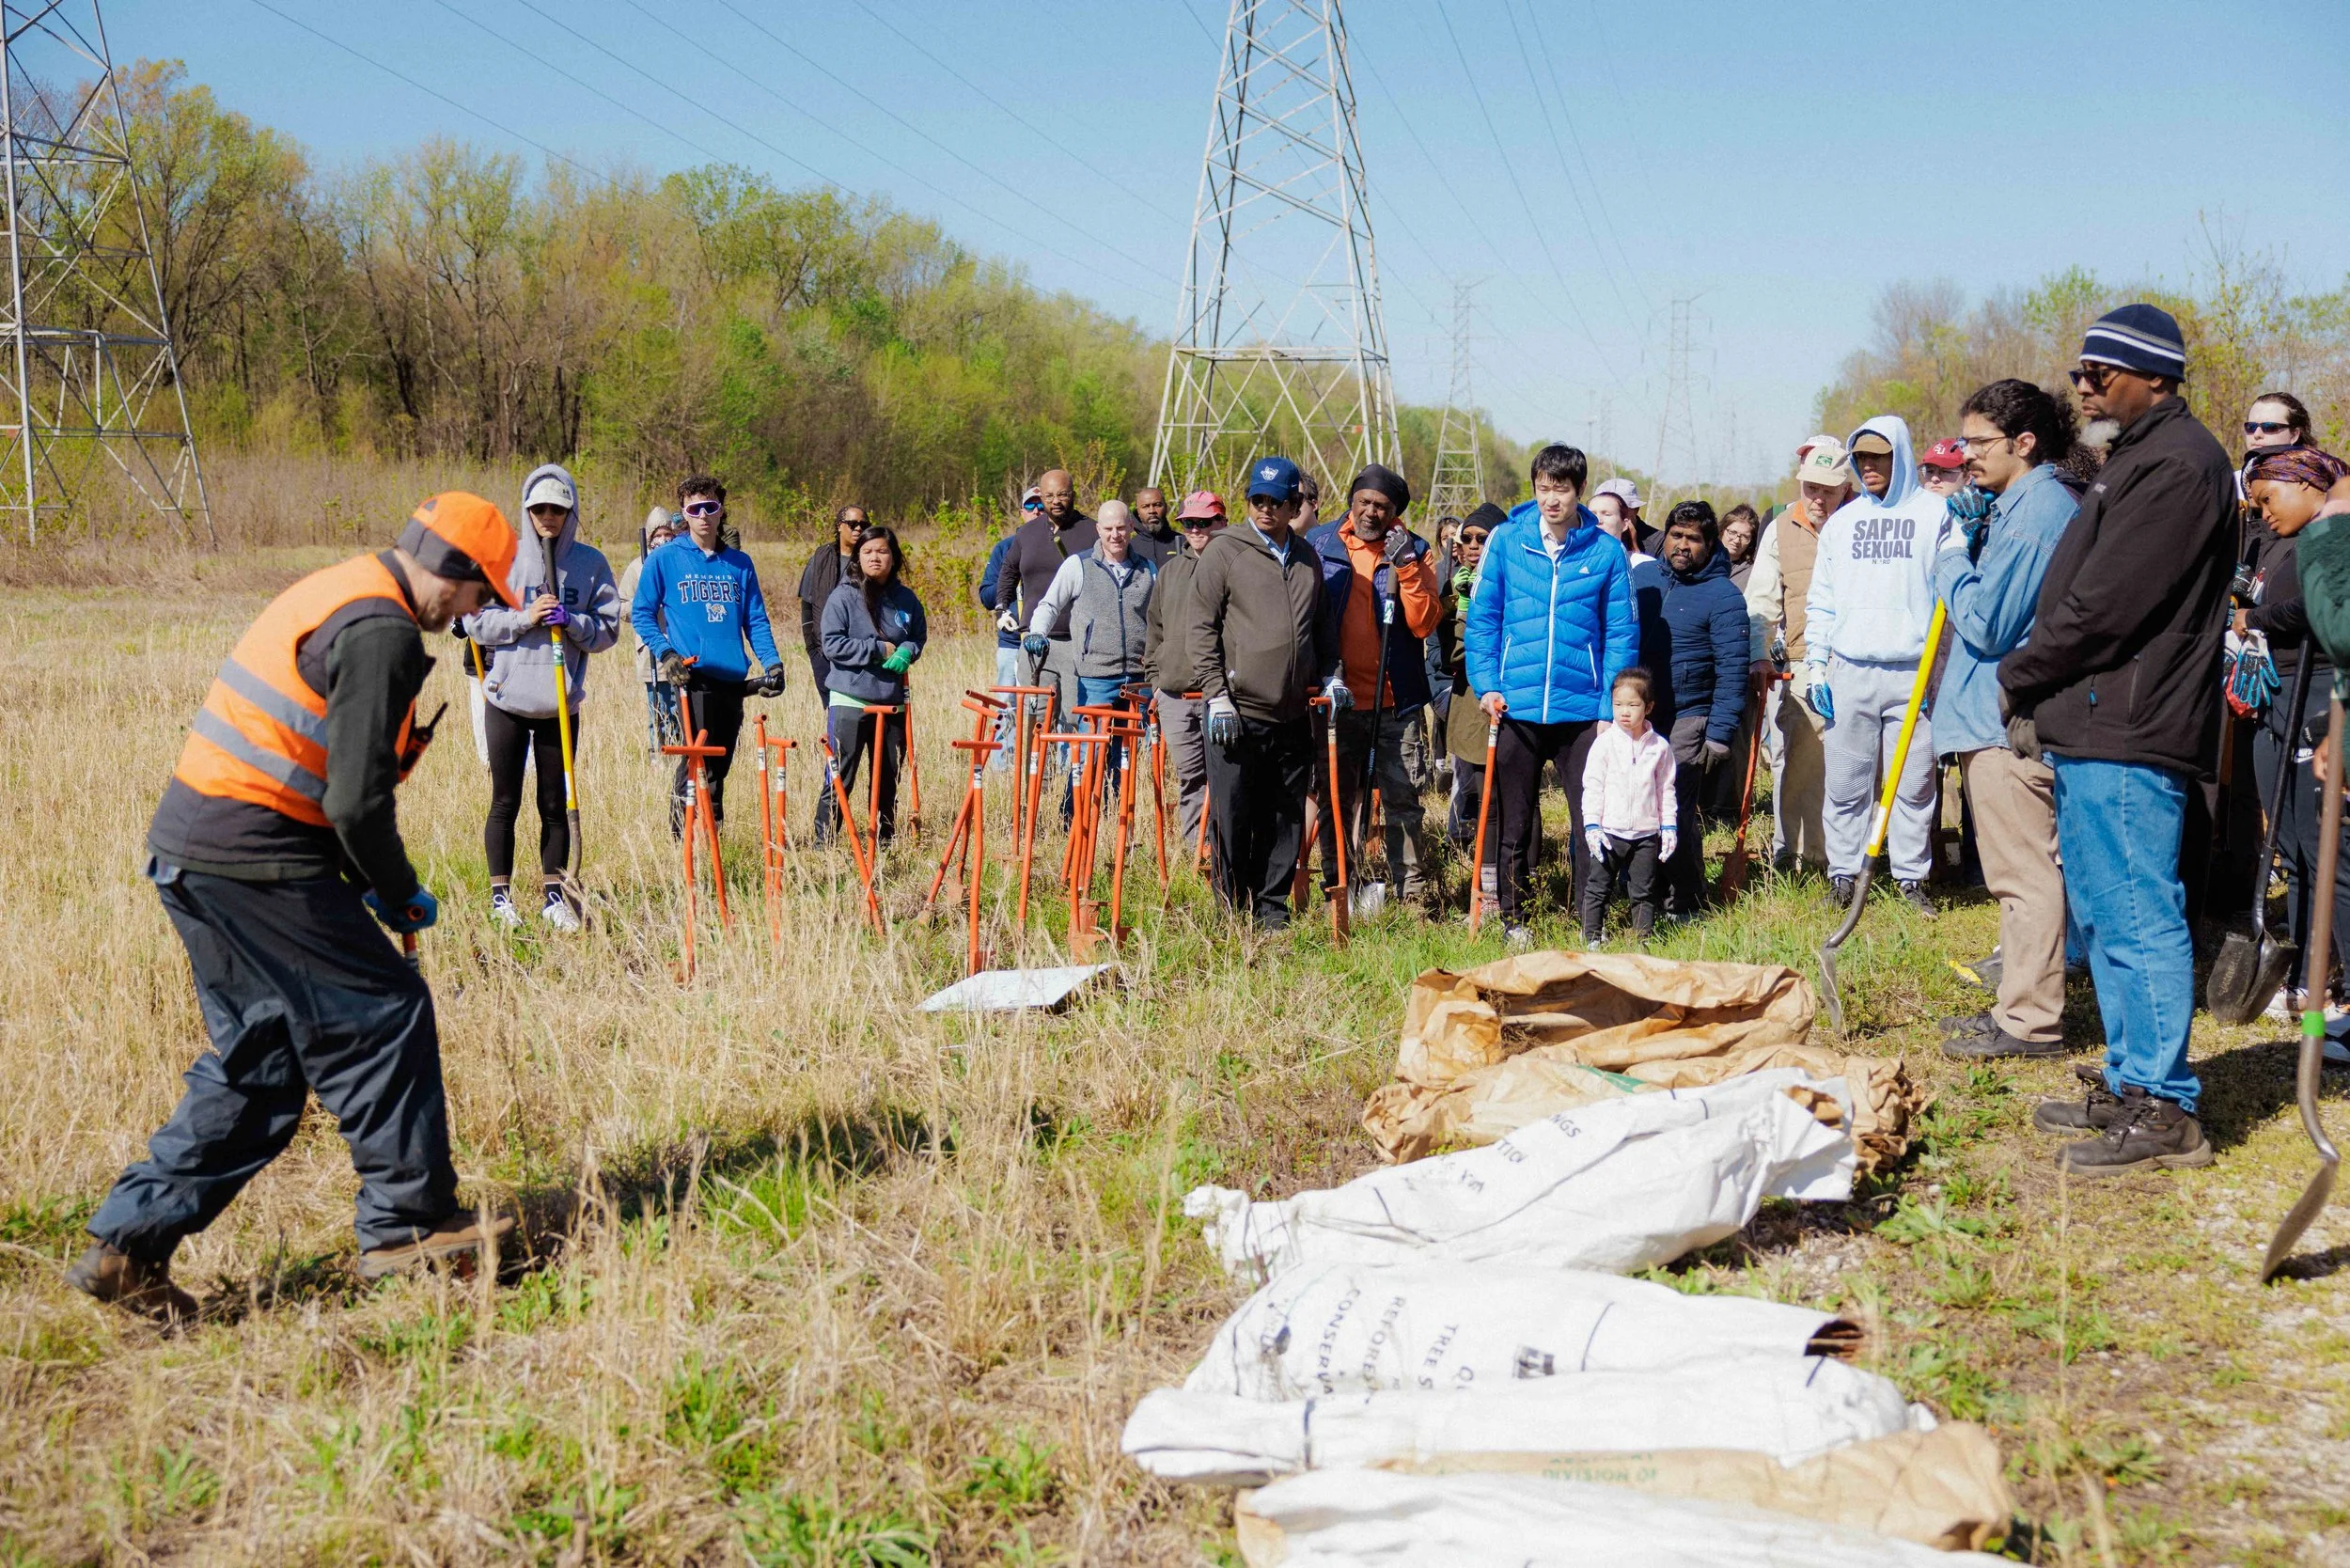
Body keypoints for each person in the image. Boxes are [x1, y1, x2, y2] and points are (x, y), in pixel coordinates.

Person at [70, 494, 523, 1321]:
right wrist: (395, 891)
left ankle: (126, 1246)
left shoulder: (343, 585)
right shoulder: (384, 630)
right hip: (255, 855)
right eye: (482, 594)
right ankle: (407, 1223)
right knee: (384, 1013)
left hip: (194, 848)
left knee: (264, 1058)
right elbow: (354, 803)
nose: (475, 613)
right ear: (456, 572)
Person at [2006, 304, 2234, 1175]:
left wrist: (2023, 672)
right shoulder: (2137, 457)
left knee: (2138, 912)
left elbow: (2108, 605)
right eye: (2080, 371)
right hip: (2100, 717)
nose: (2085, 386)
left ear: (2157, 378)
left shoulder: (2180, 464)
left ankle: (2165, 1108)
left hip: (2134, 721)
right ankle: (2131, 1078)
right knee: (2104, 914)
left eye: (2101, 373)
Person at [1929, 381, 2083, 1061]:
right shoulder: (2017, 506)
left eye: (1979, 442)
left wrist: (1951, 557)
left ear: (2024, 443)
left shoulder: (2037, 512)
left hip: (2003, 721)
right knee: (2017, 876)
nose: (1967, 456)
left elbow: (1990, 622)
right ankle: (2017, 1009)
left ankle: (2031, 1022)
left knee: (2025, 875)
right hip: (1986, 717)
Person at [1465, 443, 1637, 945]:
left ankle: (1591, 920)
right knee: (1513, 819)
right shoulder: (1507, 541)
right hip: (1516, 706)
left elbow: (1621, 634)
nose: (1551, 499)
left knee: (1591, 819)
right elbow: (1484, 620)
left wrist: (1610, 707)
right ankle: (1514, 918)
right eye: (1543, 488)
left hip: (1583, 711)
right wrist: (1488, 685)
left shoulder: (1604, 551)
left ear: (1578, 490)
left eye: (1561, 489)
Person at [461, 464, 619, 932]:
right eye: (539, 508)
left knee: (553, 804)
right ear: (527, 510)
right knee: (504, 800)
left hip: (559, 705)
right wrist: (525, 617)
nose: (548, 516)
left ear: (570, 511)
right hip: (507, 700)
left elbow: (608, 628)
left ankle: (554, 897)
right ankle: (501, 899)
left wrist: (572, 622)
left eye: (558, 508)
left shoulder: (591, 564)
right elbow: (476, 621)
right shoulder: (503, 558)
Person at [1184, 456, 1336, 928]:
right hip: (1237, 710)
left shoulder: (1308, 558)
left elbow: (1323, 630)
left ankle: (1272, 908)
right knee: (1235, 813)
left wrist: (1333, 675)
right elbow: (1199, 628)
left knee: (1285, 814)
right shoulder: (1226, 550)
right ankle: (1232, 907)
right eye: (1257, 500)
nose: (1266, 509)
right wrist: (1217, 693)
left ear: (1296, 506)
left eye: (1277, 501)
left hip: (1291, 711)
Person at [1804, 416, 1944, 915]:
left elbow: (1951, 594)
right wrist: (1816, 667)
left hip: (1914, 672)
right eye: (1860, 458)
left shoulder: (1935, 516)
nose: (1868, 467)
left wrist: (1939, 671)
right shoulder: (1842, 523)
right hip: (1851, 670)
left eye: (1878, 456)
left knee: (1913, 785)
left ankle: (1911, 878)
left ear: (1900, 456)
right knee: (1845, 780)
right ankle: (1842, 874)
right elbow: (1821, 601)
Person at [2235, 444, 2350, 1033]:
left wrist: (2254, 620)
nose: (2261, 511)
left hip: (2320, 694)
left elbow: (2311, 609)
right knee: (2290, 844)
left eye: (2267, 498)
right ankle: (2305, 971)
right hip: (2276, 697)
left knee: (2319, 845)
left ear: (2307, 485)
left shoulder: (2328, 539)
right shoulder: (2273, 541)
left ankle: (2329, 985)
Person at [1309, 463, 1441, 907]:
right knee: (1336, 800)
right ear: (1351, 501)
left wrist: (1406, 568)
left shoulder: (1415, 549)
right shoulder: (1321, 543)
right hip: (1337, 700)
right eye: (1363, 502)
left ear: (1395, 513)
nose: (1370, 513)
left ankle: (1413, 897)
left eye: (1381, 507)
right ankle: (1339, 889)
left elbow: (1423, 624)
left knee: (1403, 802)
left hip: (1394, 701)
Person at [629, 475, 788, 836]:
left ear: (720, 512)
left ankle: (712, 837)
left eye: (710, 507)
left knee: (721, 763)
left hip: (731, 677)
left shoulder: (740, 564)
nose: (703, 515)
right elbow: (642, 613)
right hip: (690, 677)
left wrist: (772, 661)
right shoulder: (665, 559)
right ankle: (681, 840)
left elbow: (756, 619)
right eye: (694, 508)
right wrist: (666, 652)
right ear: (684, 514)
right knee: (695, 760)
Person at [1630, 500, 1747, 917]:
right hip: (1637, 716)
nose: (1683, 545)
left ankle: (1688, 897)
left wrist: (1718, 733)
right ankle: (1646, 896)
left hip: (1688, 718)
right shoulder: (1642, 578)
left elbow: (1734, 668)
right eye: (1676, 536)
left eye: (1693, 539)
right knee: (1638, 808)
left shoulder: (1724, 596)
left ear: (1710, 543)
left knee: (1673, 810)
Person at [1746, 439, 1853, 872]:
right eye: (1811, 487)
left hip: (1861, 659)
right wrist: (1759, 656)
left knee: (1859, 764)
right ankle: (1801, 856)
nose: (1818, 498)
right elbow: (1761, 601)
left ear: (1846, 488)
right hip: (1804, 660)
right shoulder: (1779, 528)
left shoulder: (1863, 522)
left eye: (1828, 489)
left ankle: (1856, 856)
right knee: (1803, 758)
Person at [1030, 499, 1155, 802]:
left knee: (1125, 756)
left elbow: (1160, 619)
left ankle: (1115, 819)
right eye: (1109, 529)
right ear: (1099, 529)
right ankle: (1073, 819)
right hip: (1095, 678)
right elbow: (1049, 604)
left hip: (1138, 679)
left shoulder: (1147, 570)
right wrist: (1036, 632)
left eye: (1121, 528)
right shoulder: (1078, 565)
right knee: (1091, 752)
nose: (1115, 535)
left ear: (1131, 529)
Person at [820, 526, 926, 845]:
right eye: (867, 552)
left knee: (887, 779)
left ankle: (883, 844)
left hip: (892, 700)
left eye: (882, 551)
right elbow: (832, 645)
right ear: (858, 557)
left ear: (894, 557)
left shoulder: (906, 599)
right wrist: (878, 649)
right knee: (841, 777)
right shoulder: (843, 595)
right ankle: (823, 845)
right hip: (850, 699)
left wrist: (908, 650)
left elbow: (917, 636)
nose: (875, 557)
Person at [1144, 491, 1227, 852]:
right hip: (1175, 695)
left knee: (1225, 777)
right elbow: (1154, 629)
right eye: (1189, 523)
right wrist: (1156, 682)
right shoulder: (1170, 572)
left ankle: (1228, 848)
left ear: (1221, 522)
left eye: (1204, 522)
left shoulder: (1235, 566)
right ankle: (1197, 850)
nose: (1196, 529)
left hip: (1221, 696)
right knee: (1191, 776)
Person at [994, 468, 1097, 747]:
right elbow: (1007, 573)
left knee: (1076, 717)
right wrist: (1002, 609)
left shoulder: (1093, 531)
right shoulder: (1026, 533)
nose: (1056, 501)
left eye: (1062, 494)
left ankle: (1073, 786)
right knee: (1037, 716)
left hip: (1078, 642)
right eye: (1049, 495)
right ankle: (1039, 785)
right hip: (1036, 642)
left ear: (1073, 495)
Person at [1579, 667, 1676, 945]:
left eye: (1633, 705)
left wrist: (1668, 825)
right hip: (1608, 833)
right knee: (1598, 888)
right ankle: (1592, 938)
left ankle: (1642, 939)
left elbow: (1665, 789)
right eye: (1618, 704)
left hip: (1645, 834)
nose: (1624, 712)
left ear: (1648, 707)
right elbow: (1593, 786)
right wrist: (1592, 825)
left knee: (1643, 891)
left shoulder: (1660, 748)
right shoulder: (1604, 744)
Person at [1438, 503, 1504, 851]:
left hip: (1491, 704)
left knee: (1495, 800)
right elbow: (1441, 651)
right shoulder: (1455, 585)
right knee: (1471, 791)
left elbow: (1467, 652)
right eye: (1468, 539)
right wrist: (1455, 602)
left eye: (1483, 538)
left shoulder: (1506, 586)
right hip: (1464, 702)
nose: (1474, 546)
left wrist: (1468, 607)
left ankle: (1499, 878)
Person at [979, 488, 1042, 773]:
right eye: (1031, 505)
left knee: (1045, 706)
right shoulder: (1004, 548)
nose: (1037, 510)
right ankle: (1003, 766)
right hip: (1011, 642)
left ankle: (1045, 764)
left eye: (1042, 505)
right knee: (1008, 705)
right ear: (1022, 511)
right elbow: (986, 594)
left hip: (1049, 641)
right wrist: (1009, 585)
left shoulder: (1058, 545)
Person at [618, 507, 682, 753]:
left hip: (681, 646)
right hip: (652, 651)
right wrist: (645, 602)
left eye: (668, 534)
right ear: (650, 539)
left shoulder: (681, 563)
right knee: (659, 707)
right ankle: (659, 754)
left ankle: (684, 753)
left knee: (682, 708)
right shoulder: (637, 567)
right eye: (658, 535)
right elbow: (622, 607)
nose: (663, 539)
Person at [797, 505, 868, 710]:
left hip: (860, 651)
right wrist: (813, 650)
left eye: (863, 525)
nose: (858, 529)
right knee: (834, 712)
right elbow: (807, 606)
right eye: (852, 524)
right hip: (823, 649)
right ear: (839, 526)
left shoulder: (870, 560)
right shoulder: (821, 558)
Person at [1592, 477, 1657, 556]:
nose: (1600, 520)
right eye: (1596, 513)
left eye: (1621, 509)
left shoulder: (1657, 541)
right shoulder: (1588, 535)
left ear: (1636, 509)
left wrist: (1635, 550)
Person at [2245, 390, 2311, 455]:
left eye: (2269, 427)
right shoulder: (2251, 465)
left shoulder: (2300, 466)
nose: (2257, 434)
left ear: (2294, 436)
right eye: (2251, 427)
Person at [1130, 485, 1180, 566]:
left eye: (1157, 505)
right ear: (1138, 512)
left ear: (1166, 508)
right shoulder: (1129, 548)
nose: (1152, 511)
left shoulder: (1183, 543)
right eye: (1145, 506)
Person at [1718, 504, 1761, 591]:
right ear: (1722, 530)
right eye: (1732, 532)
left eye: (1745, 537)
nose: (1737, 540)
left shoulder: (1751, 573)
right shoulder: (1703, 561)